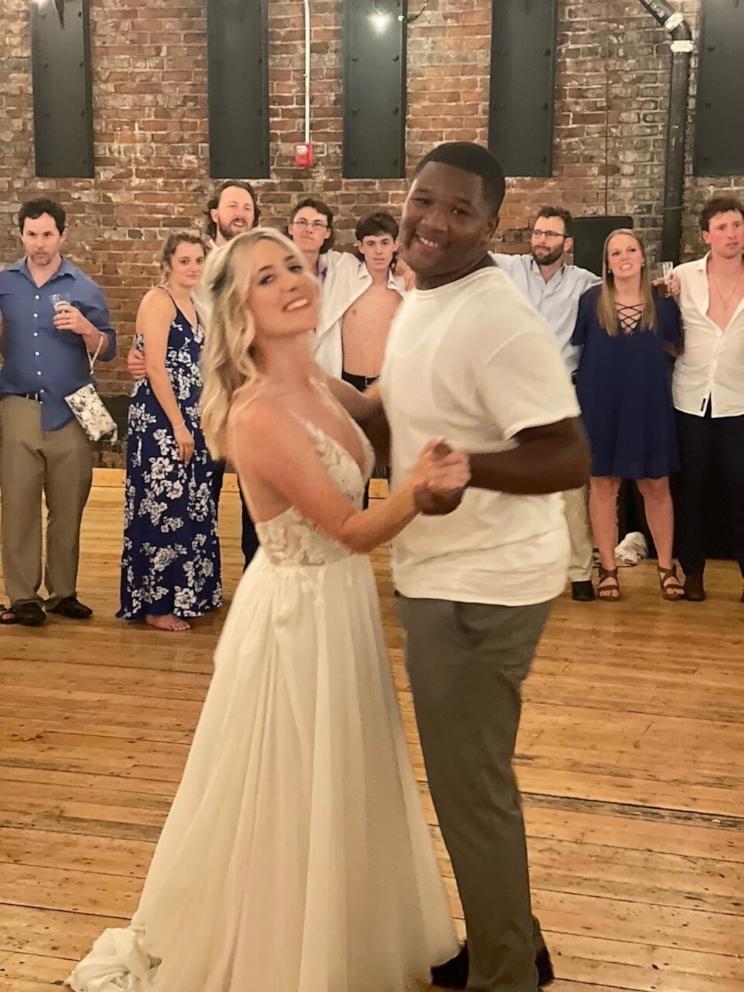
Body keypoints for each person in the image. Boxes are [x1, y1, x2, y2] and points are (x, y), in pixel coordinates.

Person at [67, 227, 468, 992]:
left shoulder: (314, 378)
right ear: (238, 312)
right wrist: (419, 489)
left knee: (342, 771)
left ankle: (342, 926)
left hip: (337, 610)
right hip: (298, 617)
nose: (292, 281)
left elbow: (375, 409)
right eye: (265, 277)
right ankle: (284, 948)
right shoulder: (256, 415)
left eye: (293, 265)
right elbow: (349, 532)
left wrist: (426, 342)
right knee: (289, 782)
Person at [363, 142, 587, 992]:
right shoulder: (428, 294)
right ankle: (516, 941)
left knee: (470, 792)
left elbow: (565, 455)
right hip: (442, 569)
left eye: (460, 212)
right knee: (469, 783)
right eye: (425, 200)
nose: (434, 222)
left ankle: (506, 976)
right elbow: (405, 405)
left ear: (493, 226)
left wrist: (465, 470)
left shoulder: (496, 317)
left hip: (480, 587)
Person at [127, 180, 261, 569]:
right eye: (232, 205)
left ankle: (252, 576)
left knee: (254, 490)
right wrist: (142, 358)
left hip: (247, 390)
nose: (240, 213)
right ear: (215, 213)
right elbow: (159, 345)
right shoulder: (194, 267)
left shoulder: (259, 261)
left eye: (247, 207)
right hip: (200, 401)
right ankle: (184, 582)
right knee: (199, 492)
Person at [0, 197, 116, 627]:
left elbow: (109, 350)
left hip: (70, 409)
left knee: (69, 505)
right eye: (32, 234)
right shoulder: (4, 283)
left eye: (48, 234)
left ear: (63, 235)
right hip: (17, 404)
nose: (40, 243)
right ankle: (22, 595)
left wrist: (86, 329)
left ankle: (64, 591)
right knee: (18, 505)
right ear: (21, 235)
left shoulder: (85, 288)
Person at [491, 207, 600, 602]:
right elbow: (466, 258)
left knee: (570, 488)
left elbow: (629, 288)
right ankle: (512, 570)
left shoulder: (586, 284)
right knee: (510, 485)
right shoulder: (508, 269)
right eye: (538, 233)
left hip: (560, 394)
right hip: (512, 393)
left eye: (551, 235)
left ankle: (580, 572)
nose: (541, 241)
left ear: (567, 243)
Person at [572, 229, 683, 602]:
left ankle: (667, 566)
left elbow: (676, 348)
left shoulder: (663, 303)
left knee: (656, 485)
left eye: (630, 250)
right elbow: (580, 349)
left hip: (649, 406)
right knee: (603, 485)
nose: (623, 257)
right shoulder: (591, 302)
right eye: (615, 252)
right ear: (606, 262)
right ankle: (607, 567)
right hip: (602, 405)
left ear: (642, 256)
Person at [118, 233, 222, 631]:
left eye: (198, 260)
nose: (193, 267)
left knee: (193, 503)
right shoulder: (157, 300)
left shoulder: (199, 302)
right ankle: (157, 604)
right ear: (168, 264)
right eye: (184, 261)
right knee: (164, 506)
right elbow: (156, 368)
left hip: (194, 416)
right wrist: (178, 424)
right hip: (162, 419)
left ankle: (192, 592)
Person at [672, 195, 744, 602]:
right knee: (691, 490)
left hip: (739, 401)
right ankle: (692, 573)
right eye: (722, 227)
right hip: (690, 398)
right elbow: (663, 327)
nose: (731, 234)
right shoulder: (683, 277)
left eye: (736, 225)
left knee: (741, 490)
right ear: (706, 236)